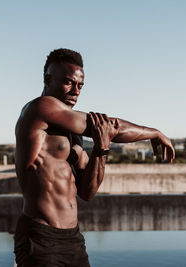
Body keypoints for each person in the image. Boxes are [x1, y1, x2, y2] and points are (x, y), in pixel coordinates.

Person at [14, 48, 175, 266]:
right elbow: (111, 126)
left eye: (80, 85)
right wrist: (153, 132)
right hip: (41, 238)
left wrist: (101, 149)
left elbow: (87, 192)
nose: (75, 91)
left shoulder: (74, 136)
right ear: (47, 78)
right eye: (68, 82)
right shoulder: (40, 108)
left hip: (72, 239)